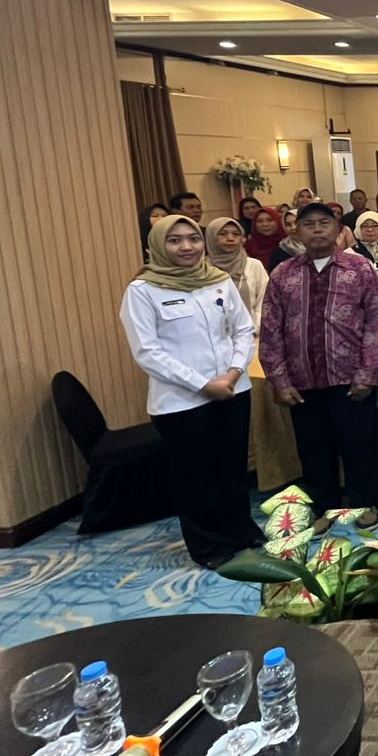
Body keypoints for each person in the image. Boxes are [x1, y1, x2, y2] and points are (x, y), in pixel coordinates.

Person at [119, 214, 263, 568]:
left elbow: (243, 330)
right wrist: (203, 385)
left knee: (232, 469)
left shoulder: (218, 280)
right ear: (157, 245)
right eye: (175, 240)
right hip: (180, 402)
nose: (187, 247)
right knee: (196, 476)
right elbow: (147, 351)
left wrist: (232, 373)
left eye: (193, 238)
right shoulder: (143, 290)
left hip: (233, 390)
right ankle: (209, 546)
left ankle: (241, 530)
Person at [258, 203, 378, 528]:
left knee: (359, 444)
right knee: (313, 450)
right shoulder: (283, 274)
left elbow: (375, 322)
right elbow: (270, 330)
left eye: (324, 223)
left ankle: (363, 502)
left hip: (350, 378)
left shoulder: (359, 268)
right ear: (297, 231)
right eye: (309, 224)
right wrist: (279, 380)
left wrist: (367, 372)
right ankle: (324, 507)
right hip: (303, 381)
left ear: (338, 229)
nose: (317, 229)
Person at [205, 216, 269, 326]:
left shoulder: (254, 265)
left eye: (236, 234)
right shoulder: (202, 268)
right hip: (212, 333)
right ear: (211, 237)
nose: (230, 238)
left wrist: (255, 328)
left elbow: (264, 301)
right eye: (222, 234)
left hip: (251, 331)